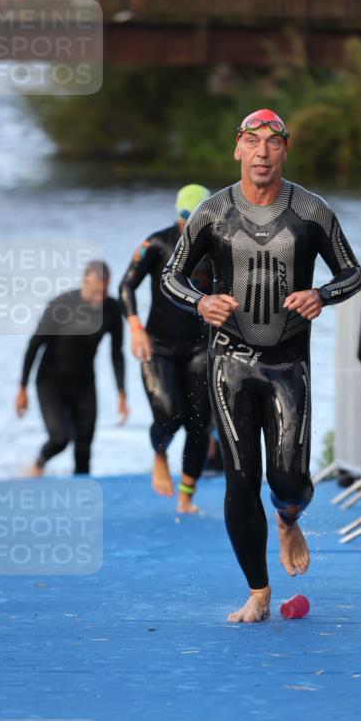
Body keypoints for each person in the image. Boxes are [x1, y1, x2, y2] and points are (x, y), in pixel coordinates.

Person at [161, 109, 361, 622]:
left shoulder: (311, 212)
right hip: (228, 362)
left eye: (273, 143)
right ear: (237, 149)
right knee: (240, 478)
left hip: (288, 364)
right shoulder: (211, 213)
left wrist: (322, 294)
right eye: (252, 142)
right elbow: (171, 277)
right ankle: (258, 591)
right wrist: (200, 302)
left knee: (289, 479)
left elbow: (353, 273)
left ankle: (289, 517)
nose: (262, 153)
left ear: (284, 152)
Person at [119, 183, 216, 512]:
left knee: (200, 422)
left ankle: (186, 496)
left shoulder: (219, 247)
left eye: (197, 219)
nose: (189, 226)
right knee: (169, 414)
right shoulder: (157, 243)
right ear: (177, 216)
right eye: (185, 218)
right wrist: (135, 328)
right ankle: (159, 453)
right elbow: (126, 285)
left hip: (201, 346)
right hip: (158, 346)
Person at [15, 260, 128, 475]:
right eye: (95, 292)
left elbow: (116, 353)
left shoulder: (112, 309)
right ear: (84, 281)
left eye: (103, 292)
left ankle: (82, 496)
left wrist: (121, 392)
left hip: (84, 383)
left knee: (84, 447)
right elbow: (34, 345)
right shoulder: (61, 306)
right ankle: (38, 464)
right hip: (50, 382)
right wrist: (22, 388)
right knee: (60, 438)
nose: (99, 298)